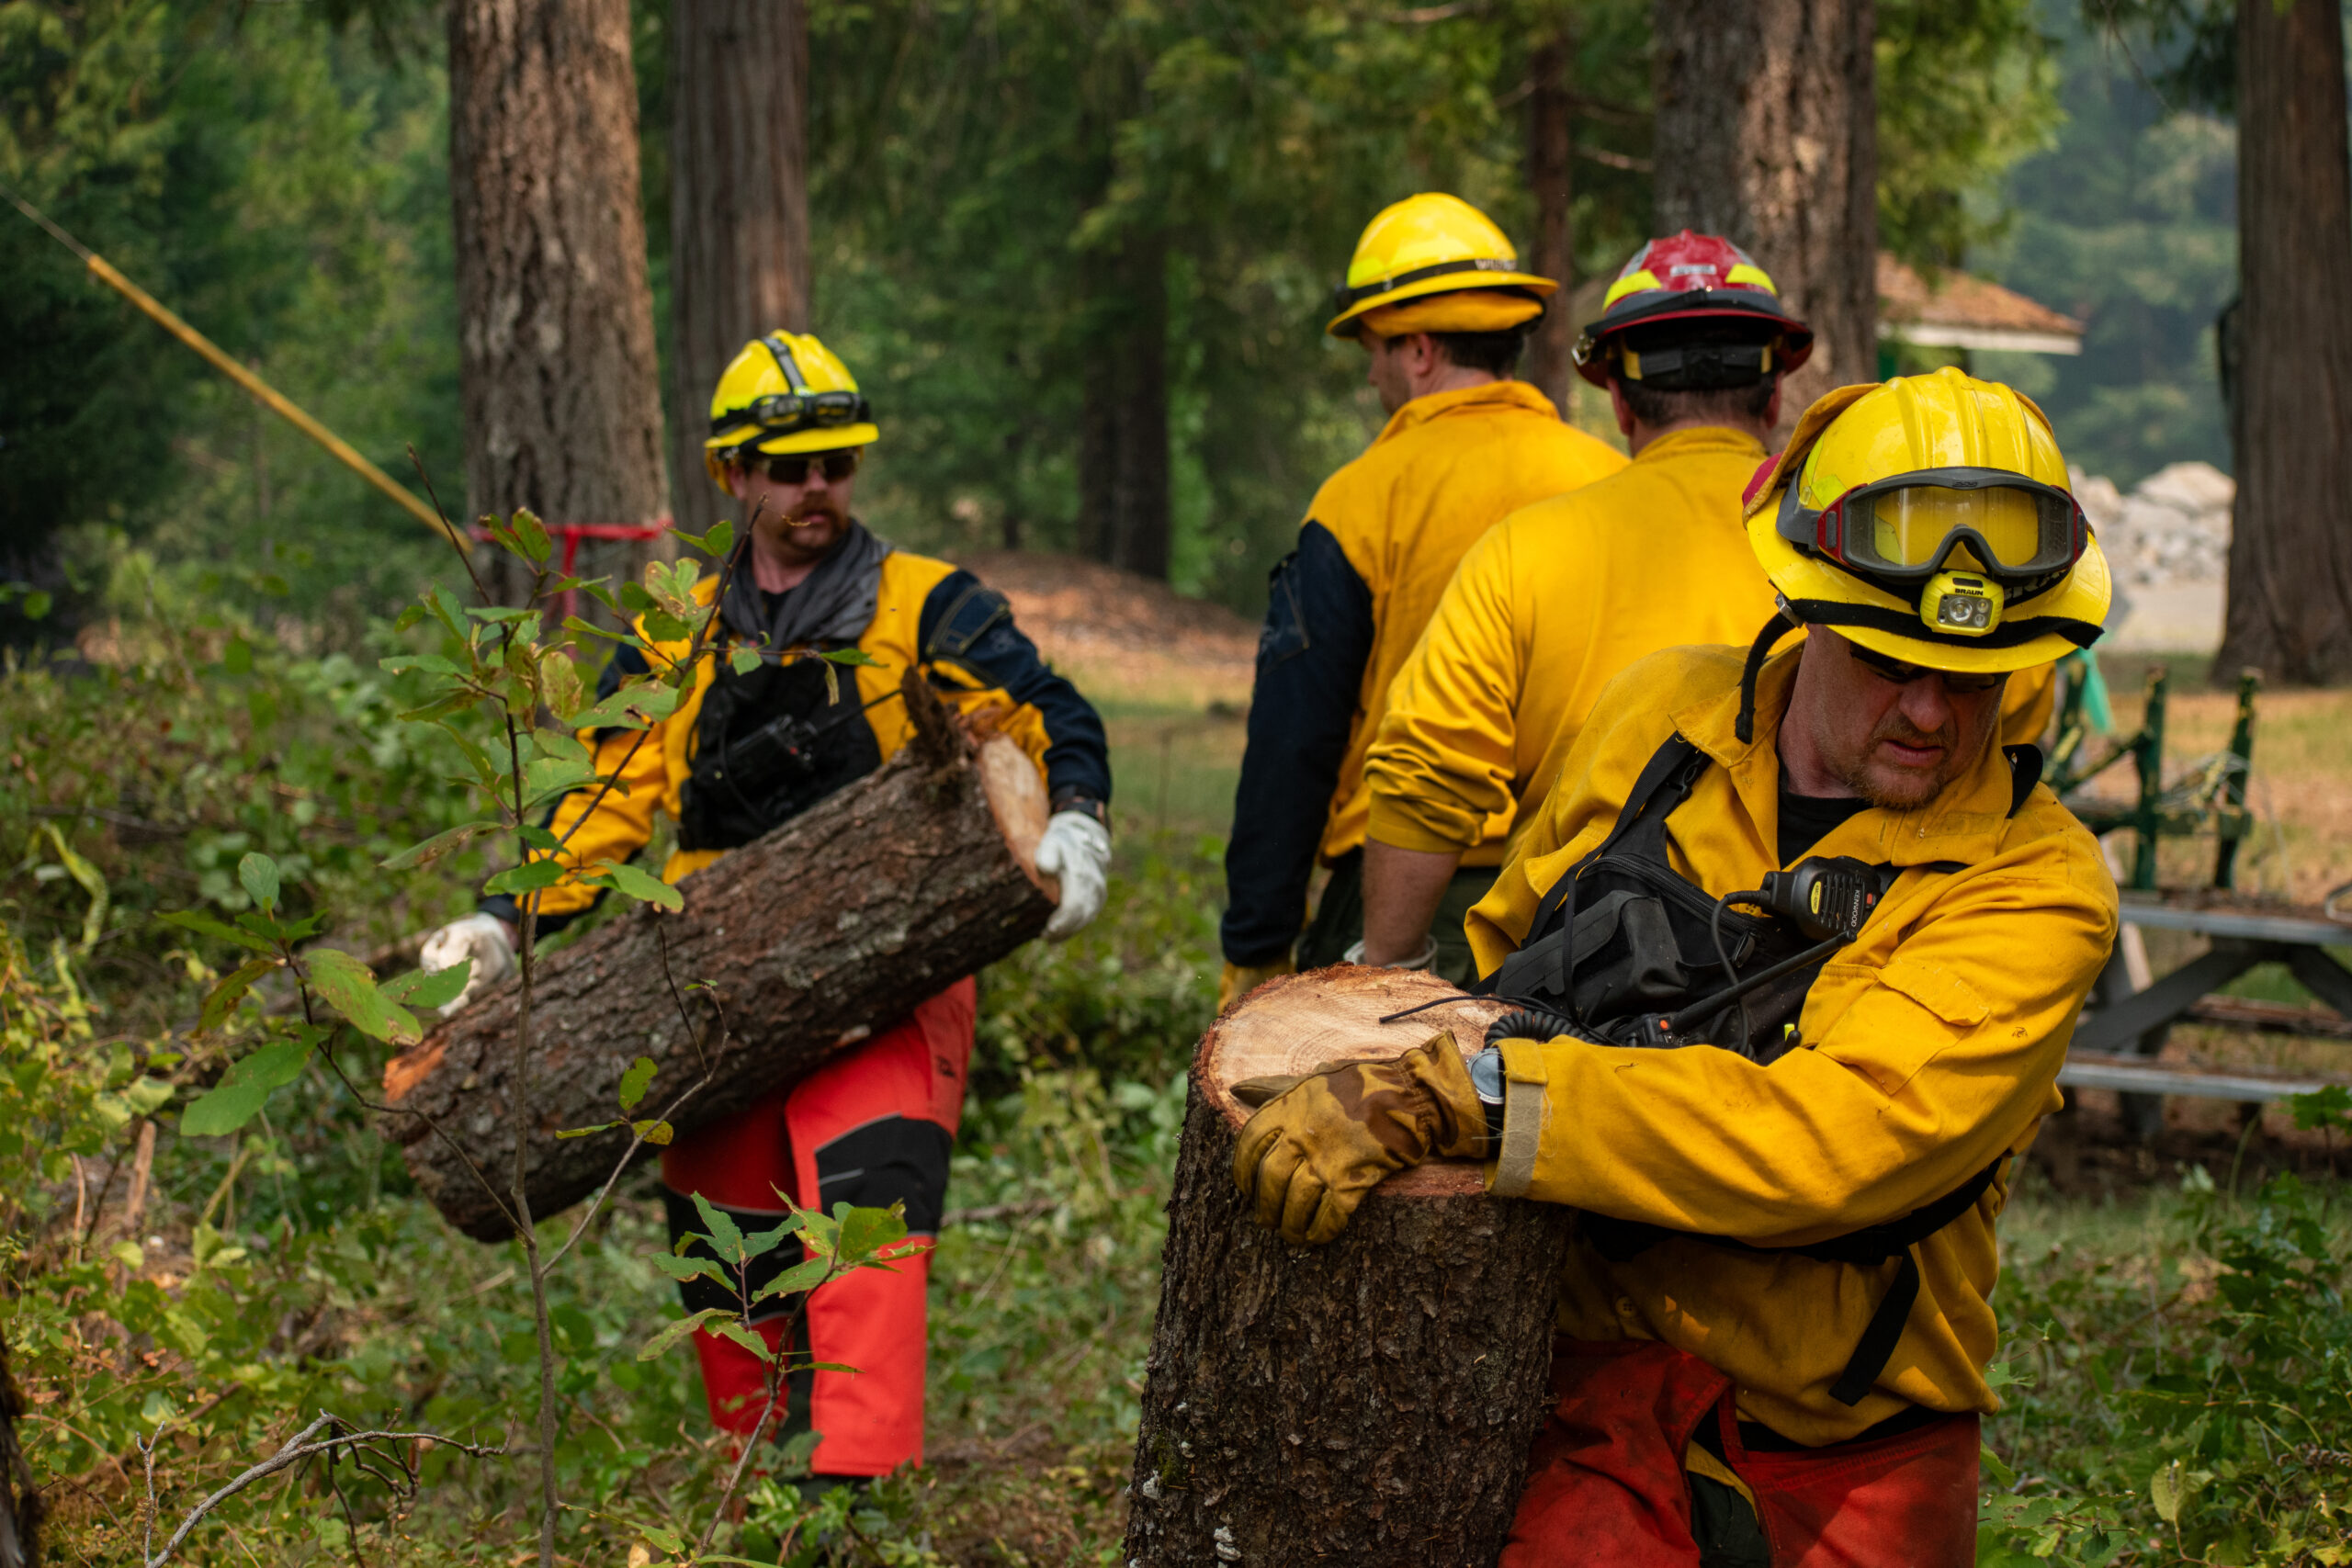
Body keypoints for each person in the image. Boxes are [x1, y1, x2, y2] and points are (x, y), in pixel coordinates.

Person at [1228, 368, 2117, 1562]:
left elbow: (1826, 1139)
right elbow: (1506, 960)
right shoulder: (1659, 721)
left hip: (1837, 1454)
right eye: (1888, 659)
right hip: (1573, 1388)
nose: (1933, 711)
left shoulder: (2036, 884)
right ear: (1805, 606)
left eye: (1975, 677)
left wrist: (1490, 1099)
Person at [417, 330, 1114, 1490]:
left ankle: (849, 1507)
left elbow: (1045, 710)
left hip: (892, 968)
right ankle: (753, 1499)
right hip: (711, 975)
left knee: (864, 1224)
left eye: (835, 465)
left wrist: (1077, 814)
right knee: (727, 1257)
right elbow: (598, 796)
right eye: (788, 469)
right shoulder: (672, 630)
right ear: (730, 474)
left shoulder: (930, 604)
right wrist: (504, 918)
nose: (815, 490)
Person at [1355, 231, 1811, 969]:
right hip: (1809, 979)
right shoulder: (1846, 550)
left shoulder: (1525, 549)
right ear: (1777, 392)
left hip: (1573, 989)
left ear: (1622, 400)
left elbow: (1425, 777)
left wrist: (1386, 967)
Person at [1217, 191, 1627, 1009]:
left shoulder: (1361, 499)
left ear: (1417, 349)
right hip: (1595, 904)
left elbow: (1296, 735)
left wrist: (1257, 941)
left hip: (1399, 906)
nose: (1370, 373)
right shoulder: (1610, 483)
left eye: (1371, 349)